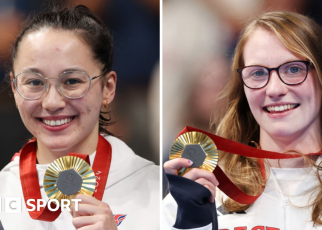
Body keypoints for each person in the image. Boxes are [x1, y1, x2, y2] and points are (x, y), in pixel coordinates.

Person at [0, 4, 159, 230]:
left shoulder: (158, 192)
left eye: (72, 81)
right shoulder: (4, 191)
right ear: (15, 89)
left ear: (108, 88)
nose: (52, 102)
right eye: (34, 82)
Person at [163, 11, 322, 230]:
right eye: (258, 73)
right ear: (242, 88)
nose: (275, 89)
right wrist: (189, 224)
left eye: (293, 69)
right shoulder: (204, 186)